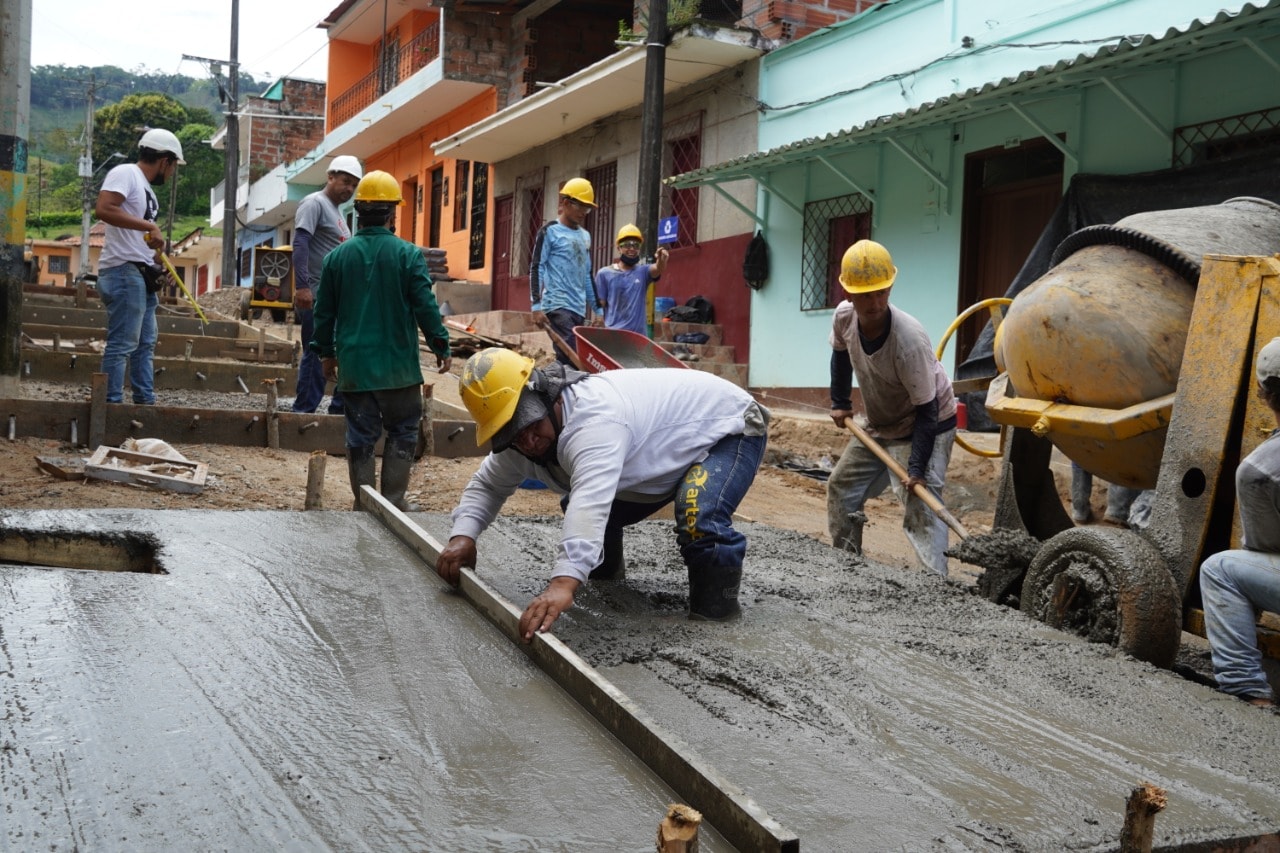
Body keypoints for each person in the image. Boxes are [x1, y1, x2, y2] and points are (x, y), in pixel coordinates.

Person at [436, 348, 770, 641]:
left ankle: (716, 614)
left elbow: (590, 503)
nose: (529, 442)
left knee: (698, 510)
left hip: (729, 426)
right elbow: (488, 485)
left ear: (546, 397)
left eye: (531, 425)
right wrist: (463, 536)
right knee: (579, 500)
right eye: (512, 434)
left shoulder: (594, 421)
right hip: (663, 443)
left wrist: (563, 584)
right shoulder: (520, 442)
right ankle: (606, 578)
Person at [309, 170, 452, 511]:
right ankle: (394, 501)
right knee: (403, 430)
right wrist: (440, 344)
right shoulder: (409, 255)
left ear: (358, 212)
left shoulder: (336, 259)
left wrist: (326, 354)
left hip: (356, 370)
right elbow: (425, 306)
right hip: (399, 370)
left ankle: (364, 504)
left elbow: (323, 314)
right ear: (392, 213)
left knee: (360, 436)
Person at [826, 239, 957, 577]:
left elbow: (927, 409)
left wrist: (916, 469)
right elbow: (840, 355)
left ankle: (935, 586)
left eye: (881, 293)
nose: (875, 303)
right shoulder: (844, 318)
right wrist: (840, 402)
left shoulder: (908, 340)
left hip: (926, 422)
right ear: (849, 294)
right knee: (842, 486)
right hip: (881, 422)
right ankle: (847, 566)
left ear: (890, 288)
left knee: (920, 503)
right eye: (865, 296)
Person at [1198, 336, 1280, 708]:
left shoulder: (1259, 470)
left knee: (1219, 570)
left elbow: (1264, 548)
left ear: (1263, 395)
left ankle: (1249, 690)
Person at [94, 128, 184, 405]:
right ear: (165, 161)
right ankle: (109, 406)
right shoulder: (126, 173)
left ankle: (145, 402)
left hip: (140, 274)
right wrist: (149, 226)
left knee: (144, 344)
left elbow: (136, 235)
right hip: (123, 271)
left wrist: (159, 259)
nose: (171, 174)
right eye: (173, 167)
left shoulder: (145, 189)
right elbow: (104, 208)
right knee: (123, 343)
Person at [292, 154, 363, 415]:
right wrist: (302, 286)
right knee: (316, 353)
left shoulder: (337, 212)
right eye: (345, 181)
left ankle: (337, 413)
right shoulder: (315, 203)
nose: (349, 188)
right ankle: (302, 414)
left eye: (354, 185)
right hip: (317, 296)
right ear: (330, 176)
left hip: (335, 299)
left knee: (341, 352)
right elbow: (300, 243)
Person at [530, 177, 598, 364]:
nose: (584, 212)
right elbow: (537, 267)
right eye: (580, 206)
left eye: (587, 208)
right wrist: (536, 306)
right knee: (572, 356)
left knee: (570, 359)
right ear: (566, 203)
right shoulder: (549, 231)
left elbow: (587, 274)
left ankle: (553, 380)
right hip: (557, 305)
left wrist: (598, 310)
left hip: (578, 308)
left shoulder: (585, 236)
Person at [594, 223, 669, 335]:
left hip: (638, 337)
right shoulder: (604, 274)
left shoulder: (643, 272)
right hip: (613, 335)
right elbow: (600, 304)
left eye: (636, 245)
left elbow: (658, 268)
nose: (632, 249)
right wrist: (599, 321)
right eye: (627, 245)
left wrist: (662, 259)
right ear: (619, 248)